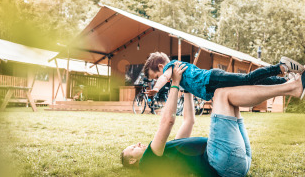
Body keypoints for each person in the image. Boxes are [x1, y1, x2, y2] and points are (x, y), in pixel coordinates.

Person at [121, 61, 305, 176]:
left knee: (229, 98)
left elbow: (188, 121)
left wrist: (186, 90)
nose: (137, 143)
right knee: (221, 94)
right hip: (222, 163)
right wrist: (175, 83)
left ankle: (290, 86)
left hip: (236, 163)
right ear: (131, 161)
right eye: (132, 148)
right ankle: (290, 87)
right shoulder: (148, 162)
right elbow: (168, 120)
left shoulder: (171, 153)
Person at [143, 52, 305, 100]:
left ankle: (281, 67)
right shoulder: (177, 73)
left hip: (212, 79)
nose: (159, 78)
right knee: (250, 85)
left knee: (248, 79)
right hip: (212, 84)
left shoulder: (171, 68)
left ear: (161, 67)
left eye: (155, 76)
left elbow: (164, 78)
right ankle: (284, 81)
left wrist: (157, 88)